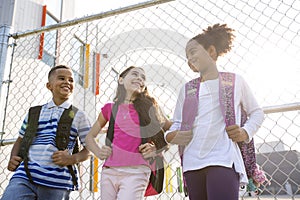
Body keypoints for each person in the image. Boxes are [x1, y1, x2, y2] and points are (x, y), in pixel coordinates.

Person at [164, 23, 265, 200]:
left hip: (222, 158)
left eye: (193, 52)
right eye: (187, 56)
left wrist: (245, 132)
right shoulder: (187, 89)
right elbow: (177, 123)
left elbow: (257, 112)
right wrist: (170, 136)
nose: (189, 59)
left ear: (211, 51)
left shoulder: (234, 81)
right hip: (192, 163)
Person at [1, 65, 91, 200]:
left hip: (57, 181)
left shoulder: (78, 115)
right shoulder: (34, 112)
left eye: (71, 80)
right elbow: (21, 139)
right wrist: (13, 157)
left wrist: (71, 159)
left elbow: (89, 149)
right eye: (62, 78)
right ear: (49, 86)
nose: (67, 82)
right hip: (26, 174)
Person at [85, 66, 172, 200]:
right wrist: (98, 152)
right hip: (109, 171)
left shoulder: (150, 107)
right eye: (135, 74)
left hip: (137, 171)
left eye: (143, 78)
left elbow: (171, 131)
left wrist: (156, 148)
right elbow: (90, 137)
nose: (139, 78)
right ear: (121, 80)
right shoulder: (110, 108)